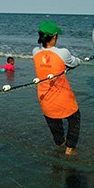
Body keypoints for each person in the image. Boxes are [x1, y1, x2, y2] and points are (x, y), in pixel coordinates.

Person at [33, 20, 81, 155]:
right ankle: (69, 149)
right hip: (63, 97)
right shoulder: (63, 52)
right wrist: (79, 60)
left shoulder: (35, 52)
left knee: (53, 120)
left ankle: (60, 143)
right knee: (74, 118)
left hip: (44, 97)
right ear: (54, 37)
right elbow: (74, 62)